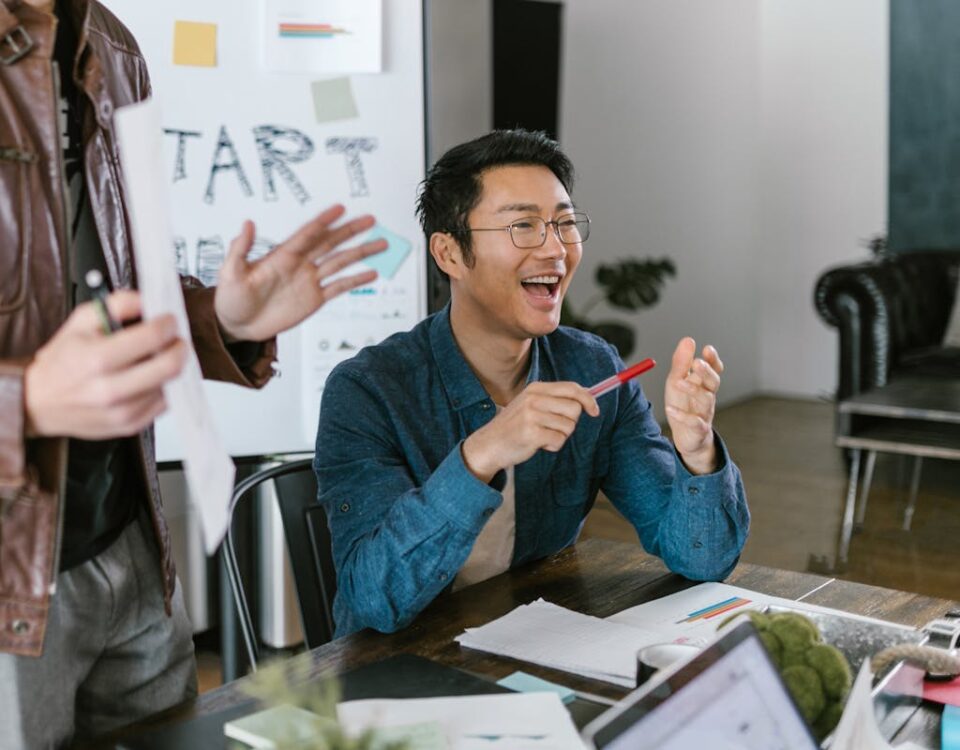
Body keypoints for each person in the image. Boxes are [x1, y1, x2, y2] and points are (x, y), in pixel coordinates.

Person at [0, 0, 386, 746]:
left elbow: (113, 284)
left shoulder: (109, 41)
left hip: (129, 541)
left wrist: (222, 319)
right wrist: (29, 401)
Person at [315, 129, 750, 638]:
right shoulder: (367, 391)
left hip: (533, 639)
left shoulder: (591, 367)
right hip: (396, 665)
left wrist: (697, 453)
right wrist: (483, 453)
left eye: (564, 224)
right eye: (523, 225)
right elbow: (374, 599)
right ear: (449, 253)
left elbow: (702, 560)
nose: (556, 248)